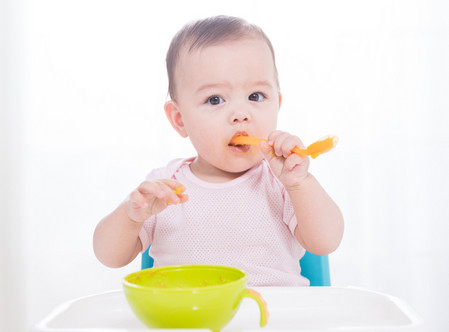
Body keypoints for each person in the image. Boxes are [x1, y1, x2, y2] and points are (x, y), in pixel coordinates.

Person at [93, 15, 344, 286]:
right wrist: (131, 215)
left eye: (256, 96)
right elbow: (109, 256)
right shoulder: (165, 188)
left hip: (271, 318)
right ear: (179, 119)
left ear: (277, 104)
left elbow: (326, 241)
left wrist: (300, 183)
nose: (240, 114)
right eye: (215, 99)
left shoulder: (282, 181)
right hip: (189, 321)